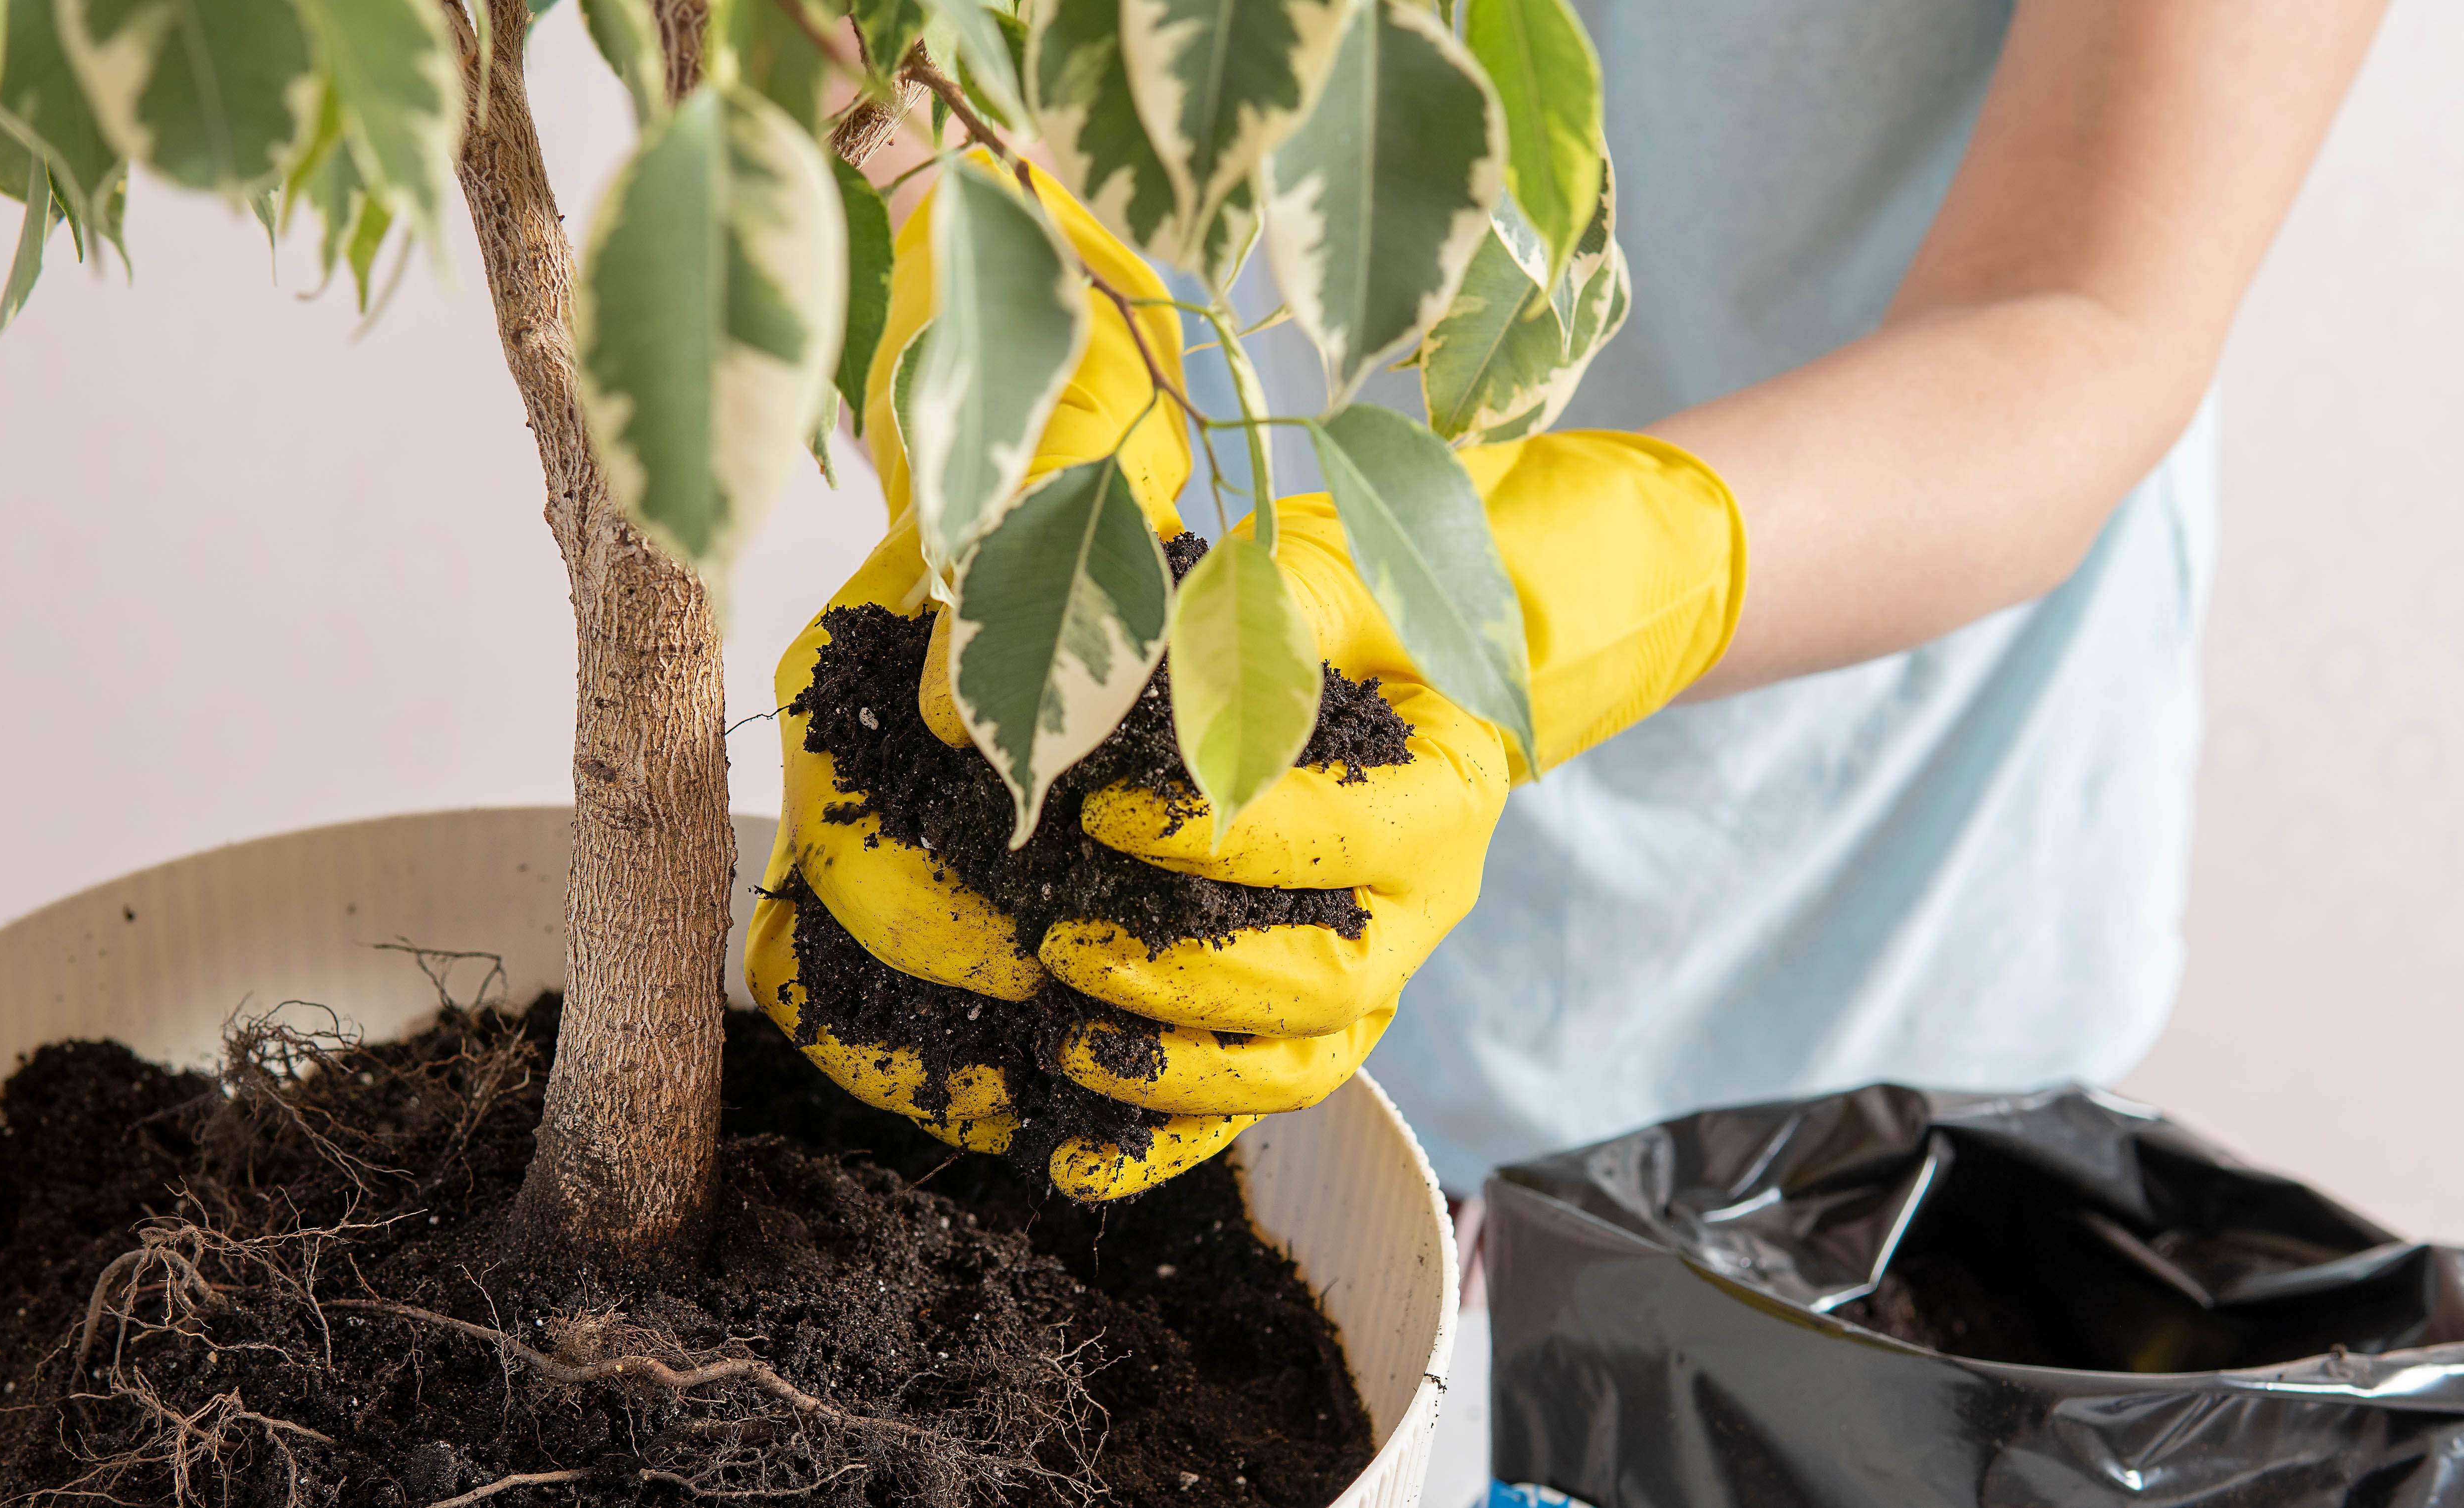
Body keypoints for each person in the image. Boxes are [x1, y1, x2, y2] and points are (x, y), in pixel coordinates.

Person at [747, 0, 2390, 1203]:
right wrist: (955, 260)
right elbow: (869, 37)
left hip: (1863, 887)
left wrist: (1576, 587)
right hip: (1164, 712)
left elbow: (2089, 304)